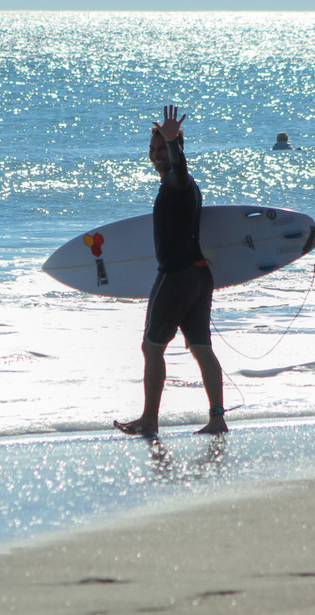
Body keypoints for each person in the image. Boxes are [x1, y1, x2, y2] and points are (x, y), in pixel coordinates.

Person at [114, 106, 227, 438]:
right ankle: (217, 418)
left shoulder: (179, 182)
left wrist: (173, 141)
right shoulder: (184, 186)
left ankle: (150, 420)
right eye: (153, 149)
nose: (155, 155)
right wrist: (169, 141)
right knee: (201, 347)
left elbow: (178, 167)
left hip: (176, 276)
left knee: (152, 347)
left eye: (160, 149)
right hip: (198, 275)